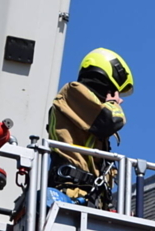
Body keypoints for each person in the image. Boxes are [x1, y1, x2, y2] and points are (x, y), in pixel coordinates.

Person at [47, 48, 134, 208]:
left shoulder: (88, 112)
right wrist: (112, 104)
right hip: (72, 191)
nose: (118, 98)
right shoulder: (72, 92)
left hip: (89, 196)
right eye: (115, 92)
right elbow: (112, 120)